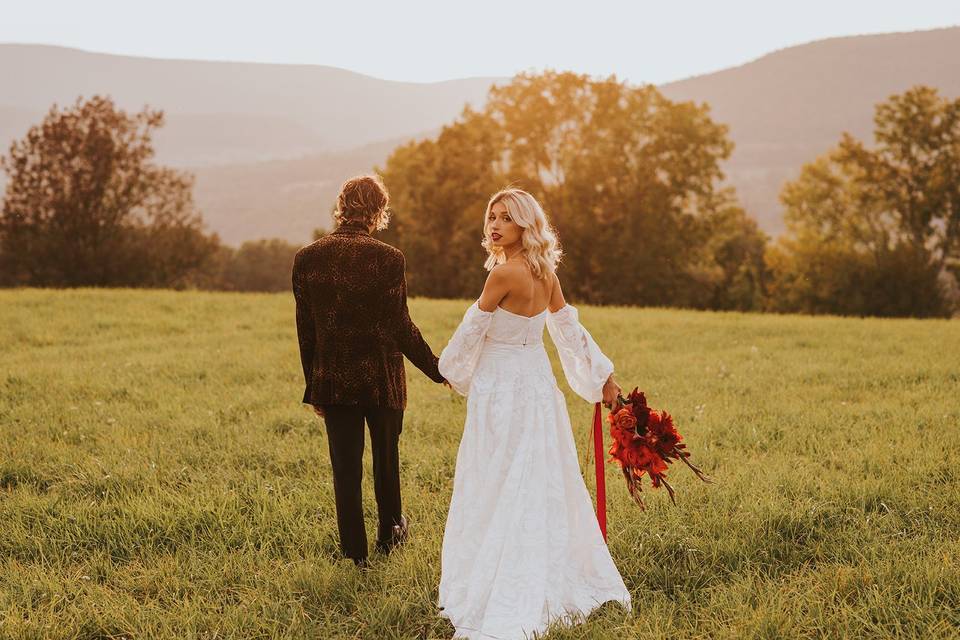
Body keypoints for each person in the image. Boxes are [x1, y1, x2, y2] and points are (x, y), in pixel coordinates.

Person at [437, 188, 632, 639]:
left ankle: (503, 581)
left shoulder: (502, 275)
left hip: (503, 389)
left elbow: (473, 331)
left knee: (495, 478)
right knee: (540, 476)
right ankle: (550, 566)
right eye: (492, 216)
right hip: (538, 387)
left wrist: (450, 370)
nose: (495, 225)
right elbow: (569, 331)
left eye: (506, 218)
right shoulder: (547, 274)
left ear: (526, 225)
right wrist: (601, 376)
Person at [292, 175, 447, 567]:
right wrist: (438, 368)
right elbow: (401, 326)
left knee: (345, 470)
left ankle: (354, 554)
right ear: (380, 210)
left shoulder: (307, 258)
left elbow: (306, 333)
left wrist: (315, 388)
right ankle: (390, 537)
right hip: (382, 381)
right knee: (386, 463)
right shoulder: (389, 258)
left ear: (341, 205)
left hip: (334, 380)